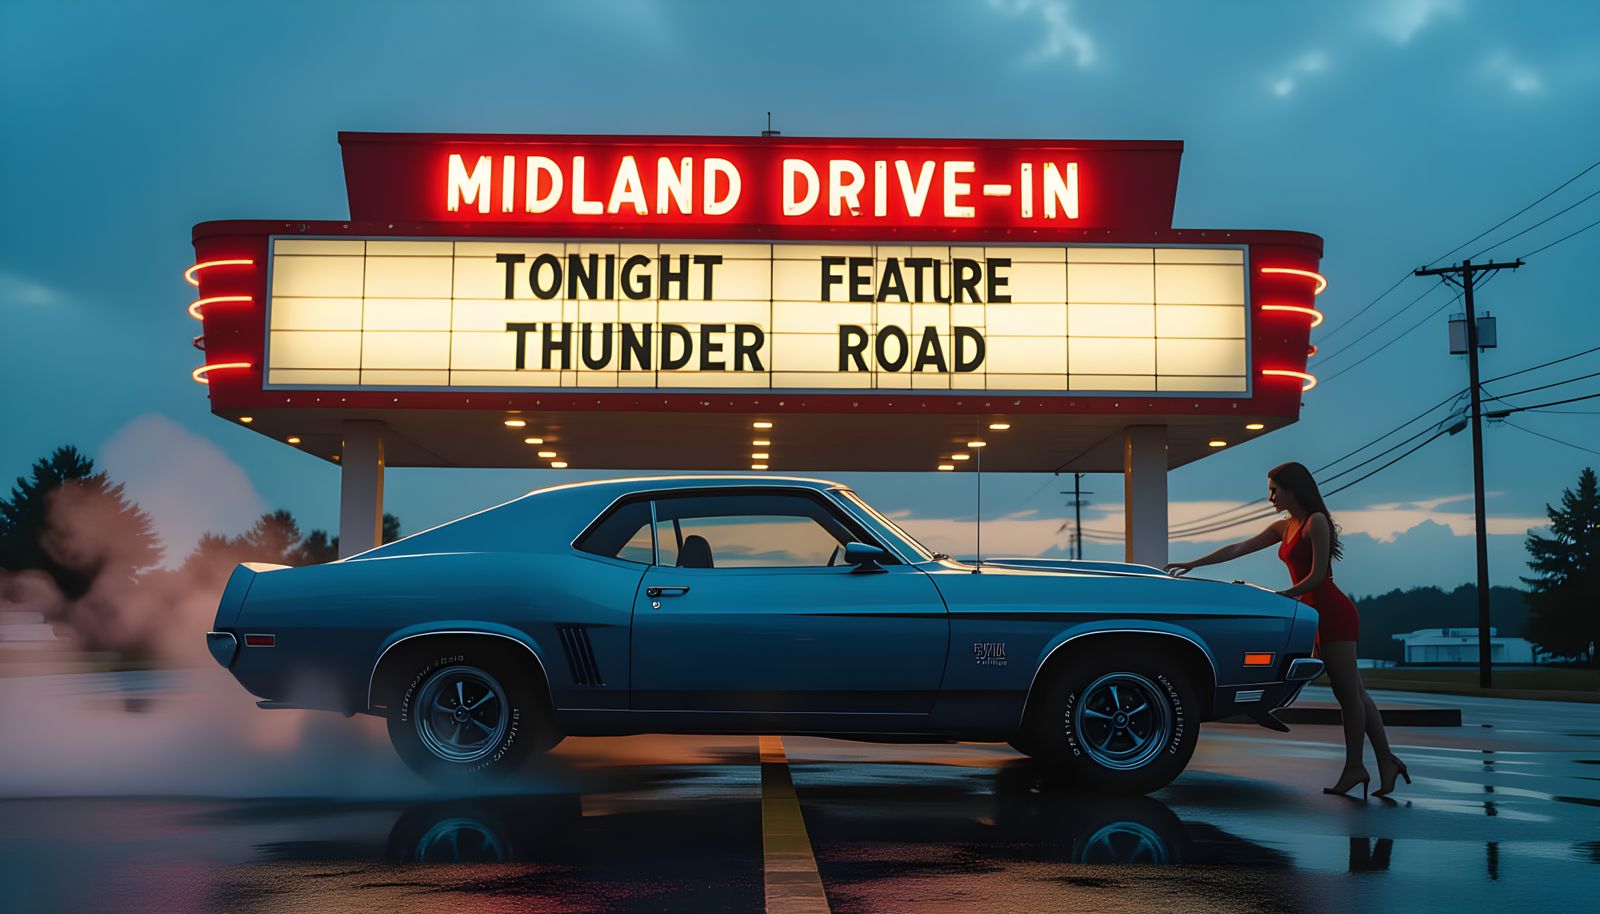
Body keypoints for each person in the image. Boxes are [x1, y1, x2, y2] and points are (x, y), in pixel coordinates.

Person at [1164, 462, 1410, 799]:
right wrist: (1194, 563)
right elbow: (1238, 548)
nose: (1270, 497)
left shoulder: (1315, 522)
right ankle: (1386, 760)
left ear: (1292, 489)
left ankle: (1356, 766)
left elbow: (1318, 577)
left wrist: (1280, 596)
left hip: (1333, 613)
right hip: (1310, 613)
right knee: (1355, 691)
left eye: (1274, 490)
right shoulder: (1284, 527)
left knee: (1348, 694)